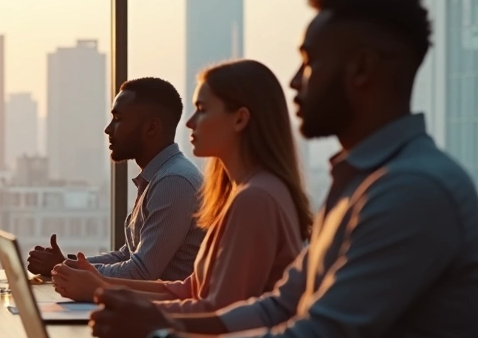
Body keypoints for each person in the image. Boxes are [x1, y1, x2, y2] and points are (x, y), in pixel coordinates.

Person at [90, 0, 478, 338]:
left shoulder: (414, 190)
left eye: (309, 62)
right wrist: (161, 325)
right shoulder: (359, 182)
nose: (296, 81)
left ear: (361, 69)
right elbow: (280, 307)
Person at [52, 59, 311, 313]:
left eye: (202, 109)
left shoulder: (253, 197)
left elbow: (216, 312)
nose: (189, 122)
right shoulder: (241, 193)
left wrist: (101, 291)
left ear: (239, 119)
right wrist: (98, 285)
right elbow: (189, 290)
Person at [28, 77, 204, 282]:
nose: (108, 129)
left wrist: (64, 268)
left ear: (151, 128)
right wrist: (65, 264)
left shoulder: (174, 181)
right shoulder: (161, 176)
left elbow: (141, 272)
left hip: (167, 304)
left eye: (118, 119)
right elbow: (127, 255)